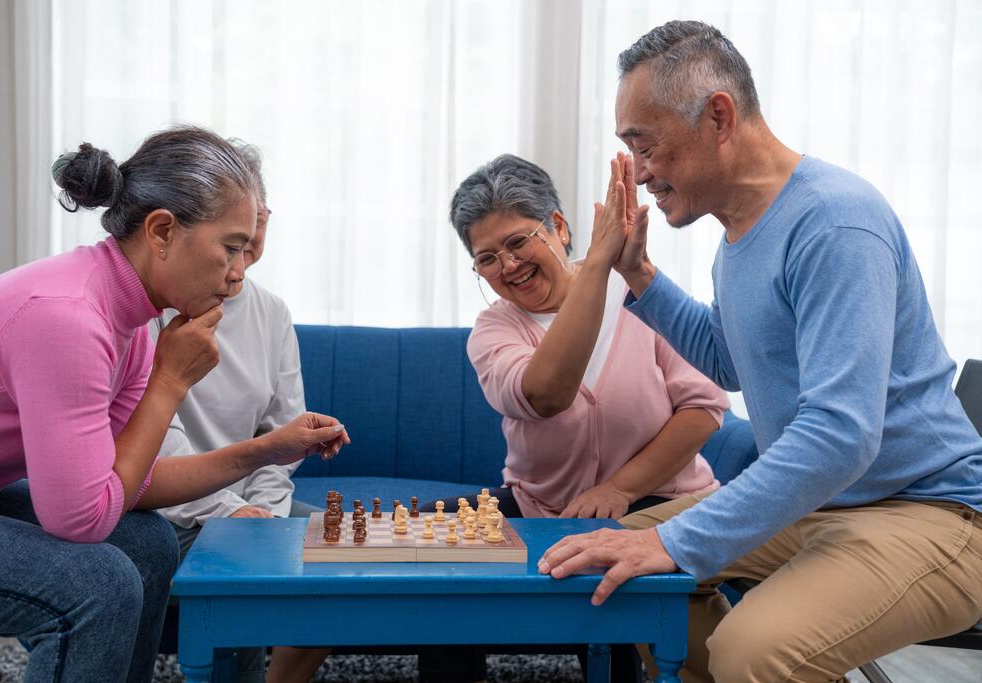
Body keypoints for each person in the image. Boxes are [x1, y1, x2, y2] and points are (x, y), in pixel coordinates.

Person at [539, 20, 982, 683]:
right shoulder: (739, 236)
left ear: (718, 116)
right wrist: (640, 277)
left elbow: (840, 434)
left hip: (929, 512)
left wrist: (674, 540)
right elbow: (730, 360)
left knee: (753, 650)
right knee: (605, 562)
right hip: (824, 502)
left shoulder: (834, 223)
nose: (640, 172)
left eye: (645, 143)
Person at [0, 126, 349, 683]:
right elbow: (82, 520)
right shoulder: (67, 317)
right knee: (95, 584)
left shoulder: (133, 318)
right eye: (231, 247)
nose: (240, 273)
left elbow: (130, 482)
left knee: (146, 540)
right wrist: (169, 381)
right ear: (162, 231)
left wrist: (267, 450)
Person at [420, 154, 728, 683]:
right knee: (434, 546)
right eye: (487, 258)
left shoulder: (636, 289)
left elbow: (703, 408)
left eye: (518, 242)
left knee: (606, 565)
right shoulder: (493, 331)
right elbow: (544, 395)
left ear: (558, 227)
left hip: (656, 500)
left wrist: (621, 489)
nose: (509, 266)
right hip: (544, 507)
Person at [154, 140, 328, 683]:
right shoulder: (156, 303)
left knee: (340, 562)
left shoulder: (272, 312)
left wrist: (265, 515)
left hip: (252, 504)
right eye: (233, 229)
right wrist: (230, 514)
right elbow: (158, 436)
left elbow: (282, 434)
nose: (250, 238)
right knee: (242, 577)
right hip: (168, 508)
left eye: (258, 218)